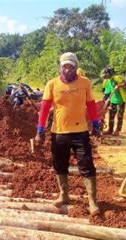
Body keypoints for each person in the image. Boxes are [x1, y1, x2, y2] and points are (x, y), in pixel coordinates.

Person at [34, 52, 101, 214]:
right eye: (64, 66)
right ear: (60, 67)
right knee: (60, 165)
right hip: (59, 133)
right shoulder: (52, 84)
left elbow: (91, 105)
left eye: (70, 66)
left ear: (76, 67)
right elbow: (44, 109)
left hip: (80, 132)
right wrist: (40, 130)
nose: (67, 69)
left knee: (86, 165)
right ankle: (64, 194)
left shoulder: (85, 83)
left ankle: (92, 200)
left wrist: (96, 124)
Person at [102, 67, 126, 136]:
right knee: (111, 115)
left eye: (106, 74)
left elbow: (125, 83)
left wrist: (118, 86)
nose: (105, 75)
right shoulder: (107, 81)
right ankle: (110, 130)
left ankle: (117, 130)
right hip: (113, 101)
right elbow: (106, 93)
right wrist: (104, 102)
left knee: (119, 116)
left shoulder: (116, 78)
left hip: (121, 100)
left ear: (110, 73)